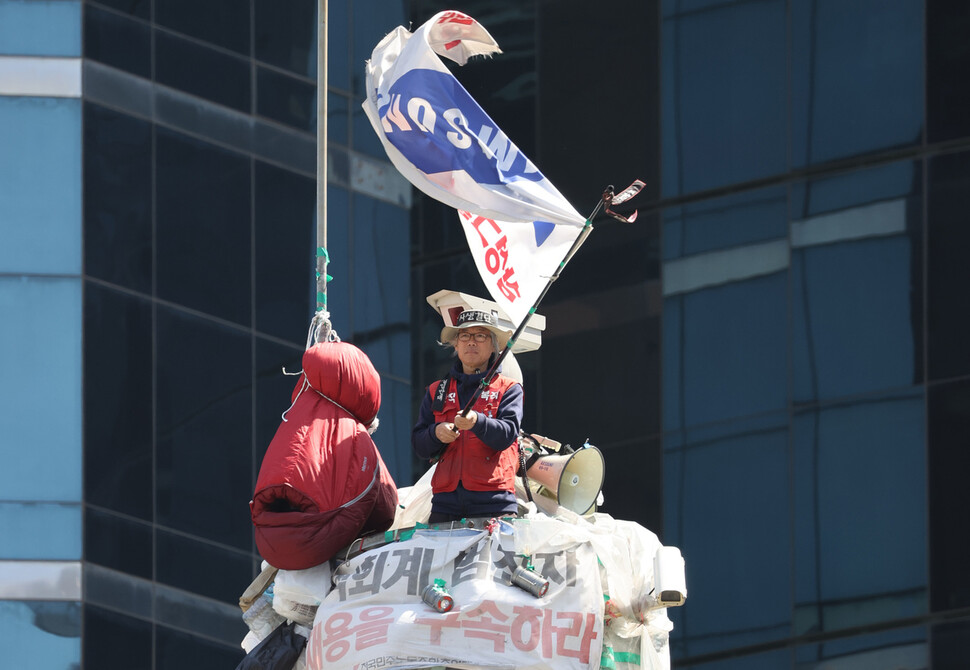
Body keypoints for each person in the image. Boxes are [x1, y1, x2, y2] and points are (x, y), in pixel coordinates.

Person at [412, 309, 523, 523]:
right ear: (456, 344)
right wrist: (435, 433)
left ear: (493, 346)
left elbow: (508, 435)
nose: (471, 342)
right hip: (445, 505)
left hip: (495, 503)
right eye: (465, 335)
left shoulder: (509, 388)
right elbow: (419, 444)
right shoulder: (437, 390)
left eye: (480, 336)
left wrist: (477, 422)